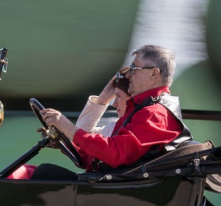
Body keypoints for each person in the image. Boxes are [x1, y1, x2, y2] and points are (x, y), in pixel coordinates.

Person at [27, 44, 191, 179]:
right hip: (112, 187)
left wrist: (68, 129)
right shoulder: (145, 109)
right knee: (36, 173)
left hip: (115, 193)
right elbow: (105, 157)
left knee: (40, 174)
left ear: (154, 73)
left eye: (134, 68)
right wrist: (64, 143)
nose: (129, 75)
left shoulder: (155, 113)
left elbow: (115, 154)